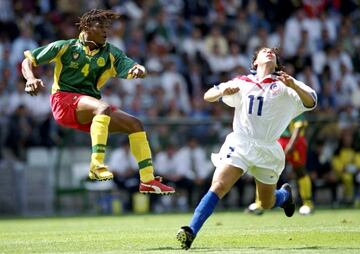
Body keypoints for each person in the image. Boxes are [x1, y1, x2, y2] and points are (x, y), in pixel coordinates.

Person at [21, 9, 174, 195]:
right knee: (103, 107)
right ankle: (96, 164)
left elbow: (131, 65)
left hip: (88, 108)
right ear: (86, 27)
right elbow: (28, 61)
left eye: (106, 27)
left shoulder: (110, 53)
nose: (105, 31)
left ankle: (148, 180)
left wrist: (138, 69)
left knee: (135, 124)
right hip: (63, 101)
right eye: (100, 26)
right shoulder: (66, 47)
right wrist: (30, 79)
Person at [176, 47, 317, 250]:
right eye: (264, 51)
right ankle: (191, 231)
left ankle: (284, 196)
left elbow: (311, 101)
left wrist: (294, 85)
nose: (269, 52)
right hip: (241, 143)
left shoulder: (285, 83)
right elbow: (208, 95)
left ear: (276, 63)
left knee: (267, 202)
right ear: (255, 63)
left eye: (272, 52)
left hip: (268, 149)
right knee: (218, 185)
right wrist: (221, 91)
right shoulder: (242, 82)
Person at [247, 114, 314, 215]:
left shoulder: (295, 100)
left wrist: (291, 144)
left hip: (295, 140)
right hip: (277, 140)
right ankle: (259, 203)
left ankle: (308, 203)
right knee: (265, 170)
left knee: (299, 170)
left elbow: (299, 125)